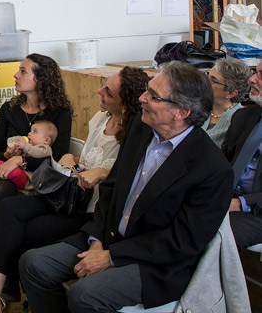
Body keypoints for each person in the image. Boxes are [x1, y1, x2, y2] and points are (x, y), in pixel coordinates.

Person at [18, 61, 231, 312]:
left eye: (152, 96)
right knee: (33, 264)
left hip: (154, 263)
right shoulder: (141, 128)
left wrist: (111, 257)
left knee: (84, 295)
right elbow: (111, 188)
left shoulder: (212, 169)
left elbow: (181, 242)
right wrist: (97, 240)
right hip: (108, 237)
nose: (141, 98)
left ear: (181, 112)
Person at [0, 66, 149, 313]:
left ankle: (5, 294)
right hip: (69, 195)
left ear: (125, 104)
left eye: (108, 91)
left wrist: (101, 173)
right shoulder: (100, 119)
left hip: (91, 211)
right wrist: (70, 157)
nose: (99, 91)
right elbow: (84, 157)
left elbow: (136, 176)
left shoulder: (137, 132)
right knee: (5, 207)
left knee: (14, 229)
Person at [0, 55, 73, 263]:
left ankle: (4, 271)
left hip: (42, 184)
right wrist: (7, 156)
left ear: (41, 79)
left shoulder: (60, 113)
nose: (16, 75)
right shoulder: (9, 110)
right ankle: (9, 274)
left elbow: (56, 160)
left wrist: (20, 161)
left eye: (23, 71)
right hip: (11, 180)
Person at [222, 60, 262, 249]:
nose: (252, 79)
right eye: (255, 72)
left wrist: (240, 203)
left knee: (211, 233)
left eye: (261, 75)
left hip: (256, 211)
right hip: (226, 198)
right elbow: (221, 164)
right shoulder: (244, 117)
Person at [0, 120, 57, 189]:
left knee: (14, 170)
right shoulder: (30, 147)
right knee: (1, 163)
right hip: (22, 174)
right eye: (30, 131)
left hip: (29, 181)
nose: (29, 133)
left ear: (47, 140)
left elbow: (37, 153)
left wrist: (25, 146)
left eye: (35, 132)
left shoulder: (46, 149)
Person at [203, 56, 250, 147]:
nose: (205, 83)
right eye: (207, 76)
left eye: (213, 80)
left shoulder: (240, 121)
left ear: (231, 93)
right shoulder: (199, 109)